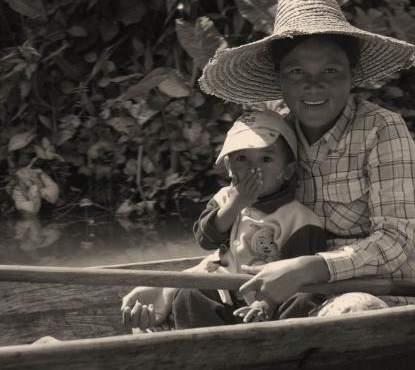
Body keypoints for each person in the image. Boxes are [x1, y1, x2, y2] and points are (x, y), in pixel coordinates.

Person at [122, 0, 415, 330]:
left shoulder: (383, 129)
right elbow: (246, 234)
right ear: (279, 81)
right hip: (282, 290)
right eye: (297, 72)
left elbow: (398, 241)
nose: (313, 85)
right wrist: (174, 281)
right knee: (171, 304)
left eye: (330, 71)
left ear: (352, 75)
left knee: (351, 314)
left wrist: (310, 267)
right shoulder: (272, 138)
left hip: (376, 291)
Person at [123, 110, 326, 330]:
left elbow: (296, 275)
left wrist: (265, 304)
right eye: (242, 158)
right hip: (225, 290)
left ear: (287, 172)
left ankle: (275, 348)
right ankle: (207, 349)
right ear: (229, 167)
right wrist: (236, 204)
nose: (253, 168)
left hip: (273, 299)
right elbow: (205, 239)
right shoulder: (224, 199)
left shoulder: (300, 219)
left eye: (266, 159)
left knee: (305, 299)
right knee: (190, 293)